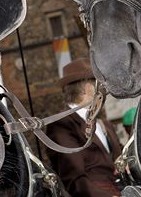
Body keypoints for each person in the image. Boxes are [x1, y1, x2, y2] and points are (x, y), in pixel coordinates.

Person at [46, 58, 122, 197]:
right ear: (88, 89)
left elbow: (121, 156)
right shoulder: (62, 126)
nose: (104, 92)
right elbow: (74, 180)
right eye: (100, 86)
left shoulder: (105, 125)